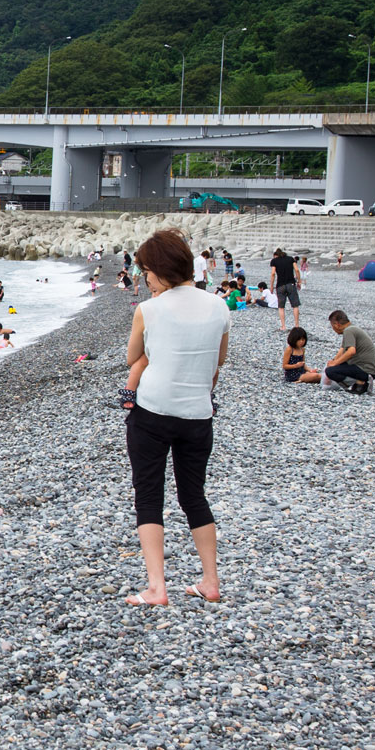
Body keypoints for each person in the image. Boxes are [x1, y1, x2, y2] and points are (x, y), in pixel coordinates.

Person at [121, 228, 229, 607]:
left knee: (149, 495)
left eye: (146, 271)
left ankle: (156, 587)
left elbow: (133, 356)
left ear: (159, 269)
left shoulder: (148, 309)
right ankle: (210, 581)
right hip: (198, 413)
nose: (144, 277)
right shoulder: (218, 306)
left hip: (152, 411)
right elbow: (218, 361)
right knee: (193, 495)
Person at [323, 310, 375, 394]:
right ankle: (359, 384)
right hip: (369, 368)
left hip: (367, 370)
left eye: (332, 326)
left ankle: (361, 382)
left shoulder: (349, 331)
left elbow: (351, 351)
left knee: (331, 371)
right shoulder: (351, 329)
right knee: (332, 368)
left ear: (337, 324)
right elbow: (342, 349)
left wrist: (334, 364)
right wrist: (334, 361)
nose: (333, 329)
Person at [269, 247, 302, 331]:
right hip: (291, 283)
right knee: (295, 305)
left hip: (280, 285)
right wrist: (299, 281)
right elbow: (297, 270)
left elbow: (273, 274)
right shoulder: (290, 259)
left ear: (275, 255)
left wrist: (272, 286)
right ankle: (296, 325)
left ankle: (283, 326)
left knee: (281, 307)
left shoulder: (274, 261)